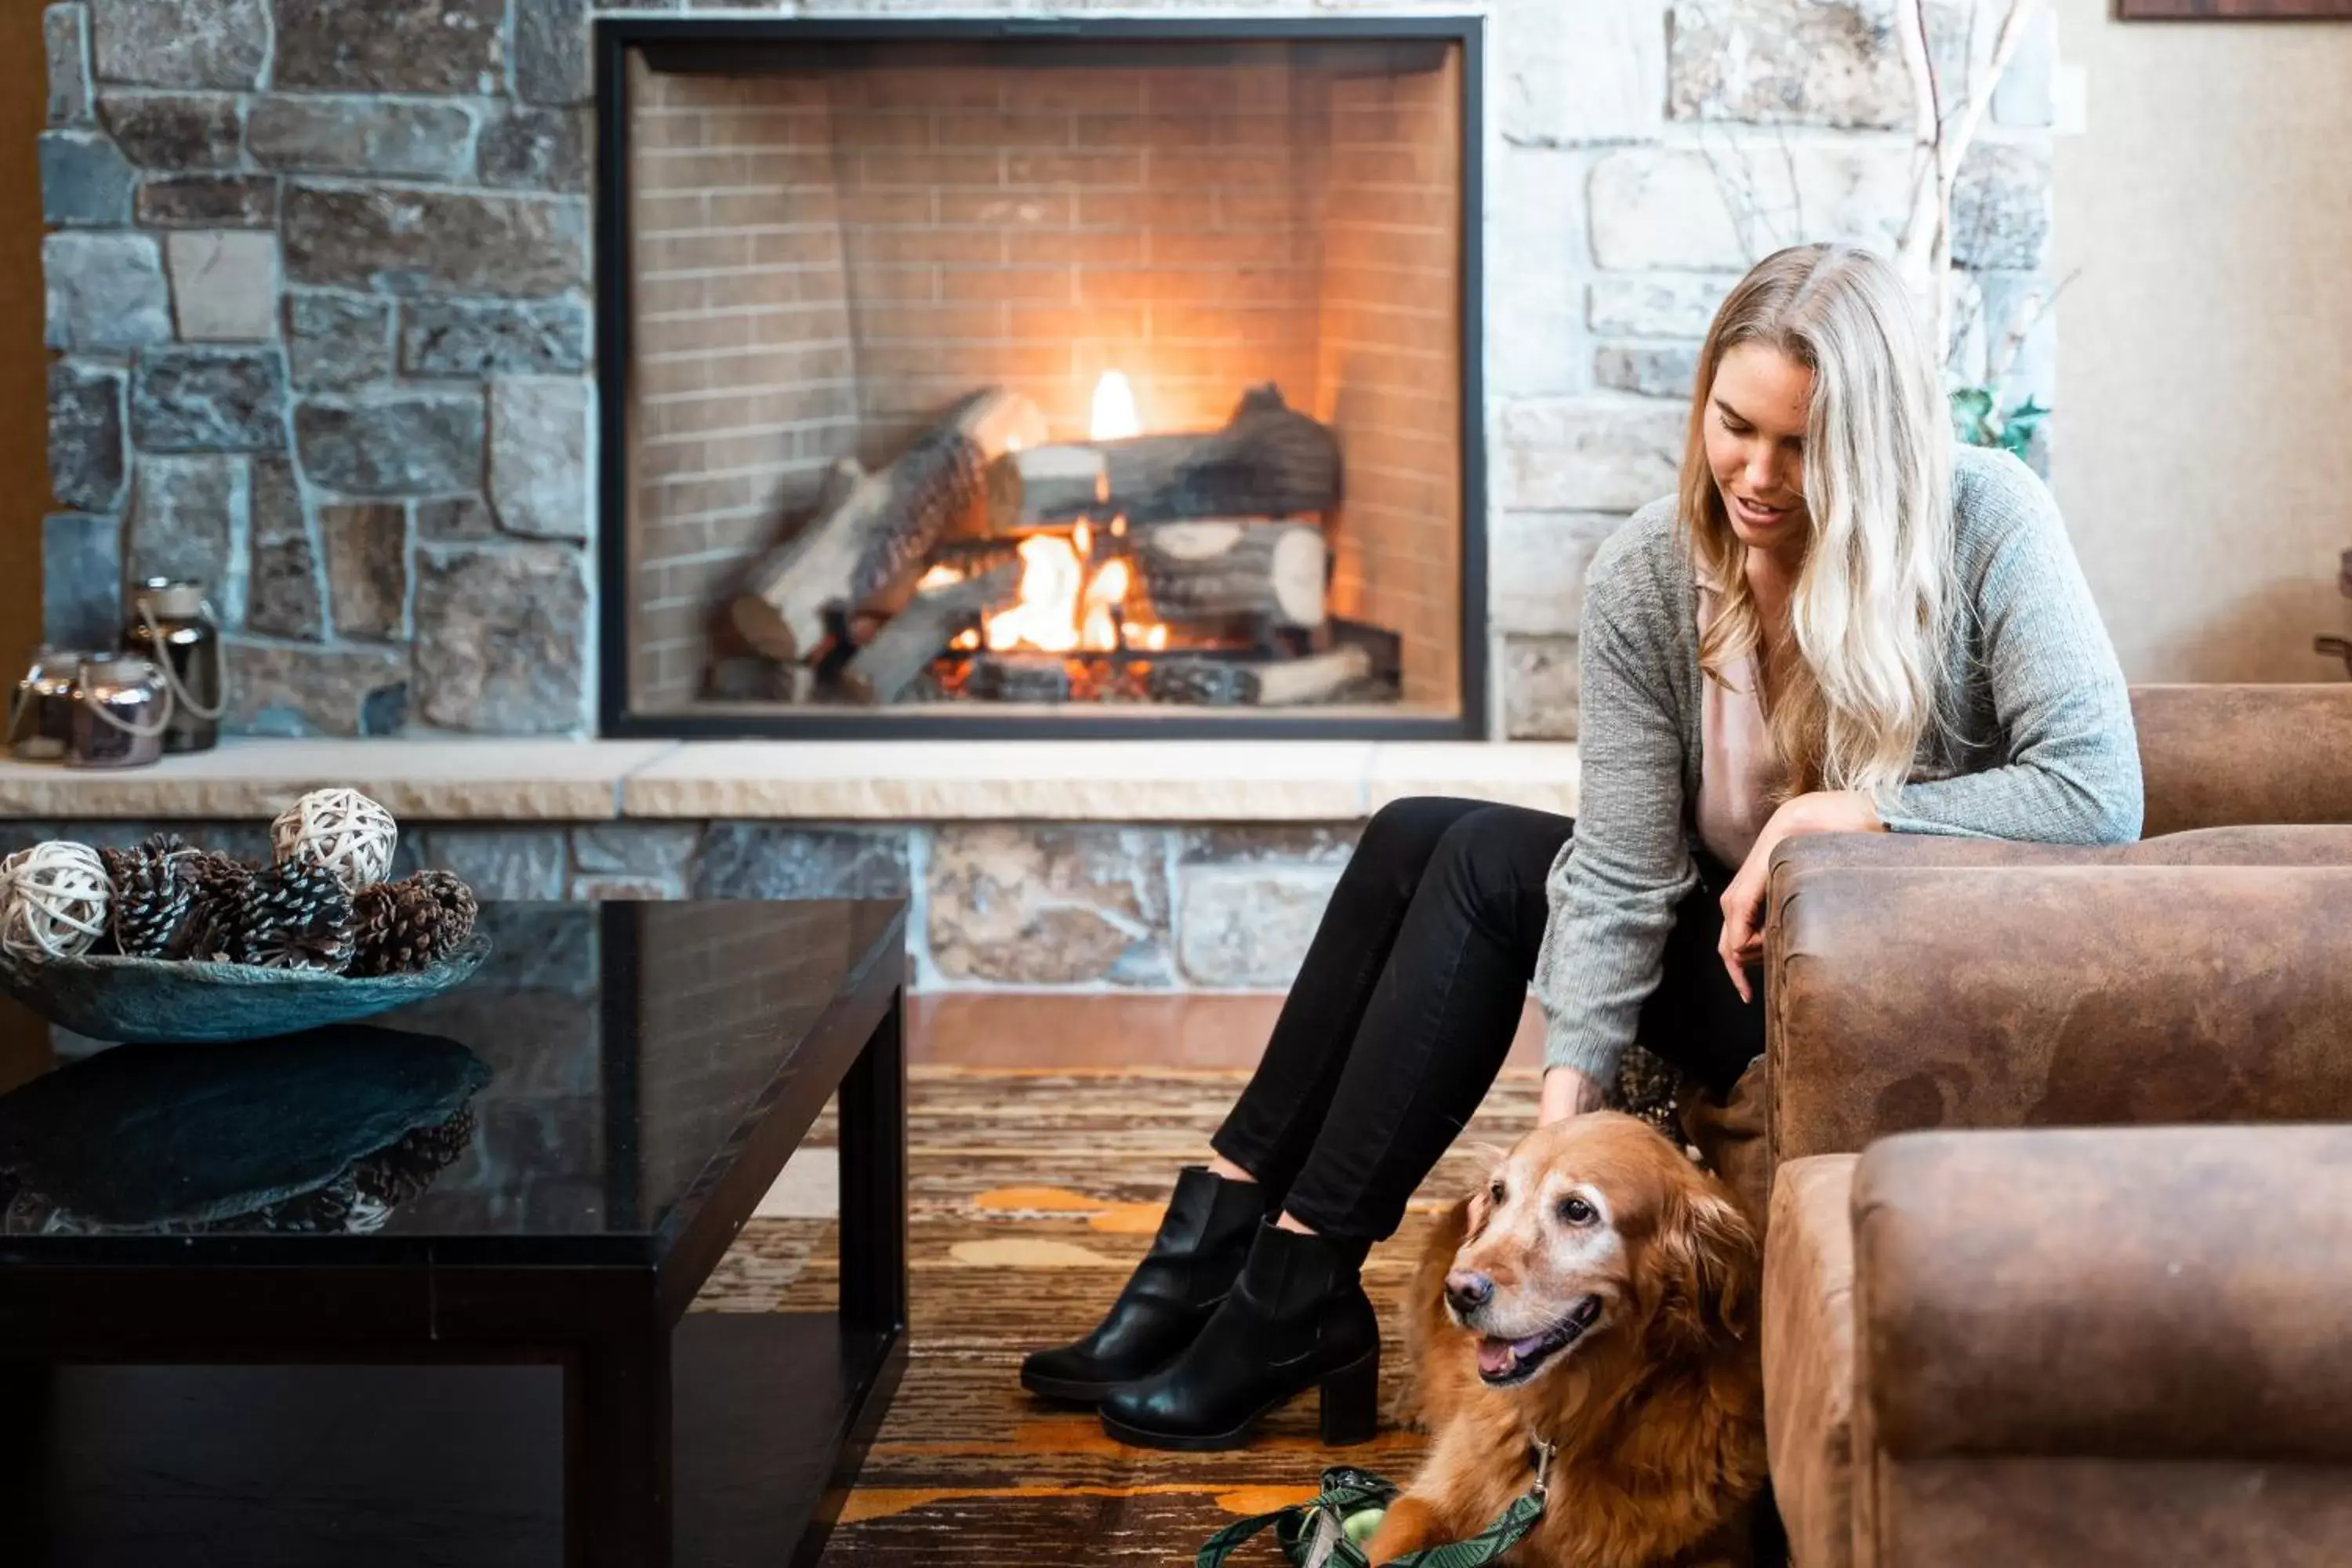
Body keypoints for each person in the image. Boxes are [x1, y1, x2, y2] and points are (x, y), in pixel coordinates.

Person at [1022, 242, 2143, 1452]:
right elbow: (1620, 872)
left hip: (1880, 985)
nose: (1754, 476)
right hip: (1727, 952)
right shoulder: (1651, 574)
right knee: (1419, 834)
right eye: (1733, 425)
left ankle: (1296, 1280)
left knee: (1484, 865)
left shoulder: (1988, 523)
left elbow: (2096, 792)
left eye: (1802, 445)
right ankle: (1235, 1237)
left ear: (1876, 446)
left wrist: (1845, 812)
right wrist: (1568, 1129)